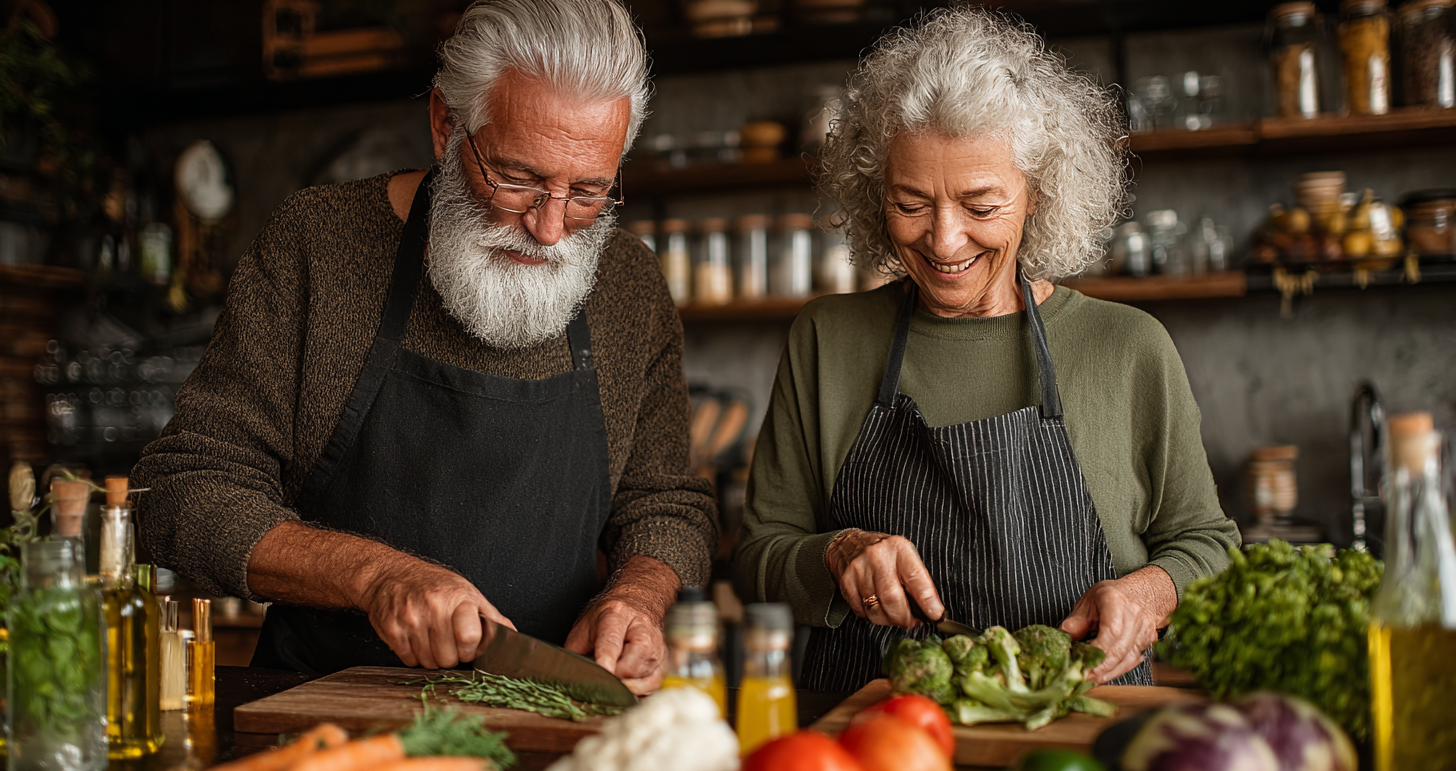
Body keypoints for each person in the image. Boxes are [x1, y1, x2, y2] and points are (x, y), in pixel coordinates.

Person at [132, 0, 717, 693]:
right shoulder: (316, 243)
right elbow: (182, 491)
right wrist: (377, 577)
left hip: (553, 711)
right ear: (446, 123)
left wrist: (638, 598)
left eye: (588, 191)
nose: (552, 228)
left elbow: (668, 504)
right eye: (518, 178)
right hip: (325, 710)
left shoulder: (629, 285)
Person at [732, 8, 1237, 690]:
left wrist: (1151, 593)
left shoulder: (1129, 348)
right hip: (877, 750)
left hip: (1078, 749)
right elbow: (759, 553)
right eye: (911, 203)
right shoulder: (827, 340)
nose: (943, 241)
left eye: (980, 206)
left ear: (1038, 195)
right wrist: (838, 553)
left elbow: (1210, 545)